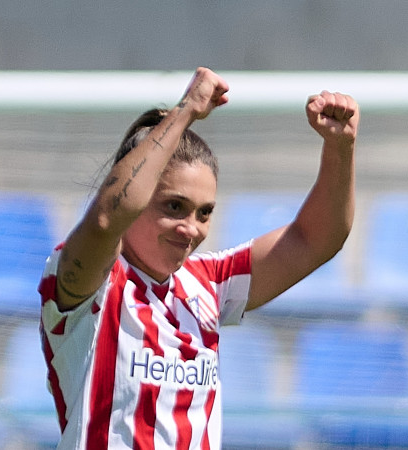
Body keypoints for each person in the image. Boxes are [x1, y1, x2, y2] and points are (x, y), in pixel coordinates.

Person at [38, 67, 358, 449]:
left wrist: (341, 148)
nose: (191, 228)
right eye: (174, 206)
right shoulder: (92, 285)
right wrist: (185, 111)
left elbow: (316, 240)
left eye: (204, 213)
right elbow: (107, 219)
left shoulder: (209, 283)